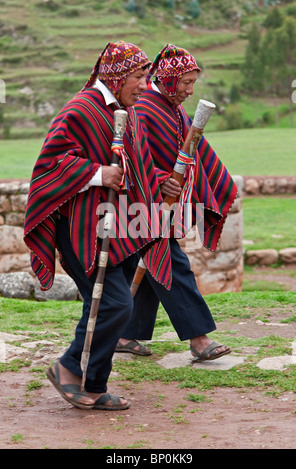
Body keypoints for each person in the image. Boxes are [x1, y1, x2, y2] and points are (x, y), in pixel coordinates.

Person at [23, 41, 172, 410]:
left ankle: (91, 383)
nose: (144, 85)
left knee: (106, 304)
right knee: (115, 304)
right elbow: (49, 165)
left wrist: (160, 183)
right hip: (80, 230)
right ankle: (68, 368)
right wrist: (95, 173)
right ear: (118, 75)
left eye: (146, 77)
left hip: (115, 227)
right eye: (139, 76)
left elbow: (133, 167)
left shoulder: (126, 111)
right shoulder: (81, 109)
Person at [116, 44, 237, 361]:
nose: (189, 90)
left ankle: (124, 334)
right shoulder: (142, 108)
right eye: (184, 82)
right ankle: (199, 339)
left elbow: (193, 151)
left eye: (193, 83)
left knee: (150, 269)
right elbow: (129, 153)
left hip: (163, 206)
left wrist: (218, 182)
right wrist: (157, 179)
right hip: (140, 203)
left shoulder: (173, 108)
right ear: (168, 79)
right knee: (169, 263)